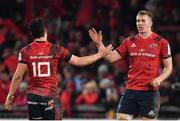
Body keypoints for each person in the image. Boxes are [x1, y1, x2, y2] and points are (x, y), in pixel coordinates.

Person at [4, 18, 113, 120]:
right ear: (45, 30)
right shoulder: (56, 49)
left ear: (31, 34)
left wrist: (10, 97)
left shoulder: (25, 51)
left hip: (33, 97)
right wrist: (99, 54)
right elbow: (80, 62)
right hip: (50, 96)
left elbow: (18, 76)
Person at [88, 10, 172, 120]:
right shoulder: (129, 41)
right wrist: (99, 44)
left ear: (150, 23)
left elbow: (169, 67)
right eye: (138, 21)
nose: (139, 23)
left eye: (143, 21)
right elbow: (110, 58)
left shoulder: (162, 42)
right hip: (131, 91)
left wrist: (159, 79)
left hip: (150, 93)